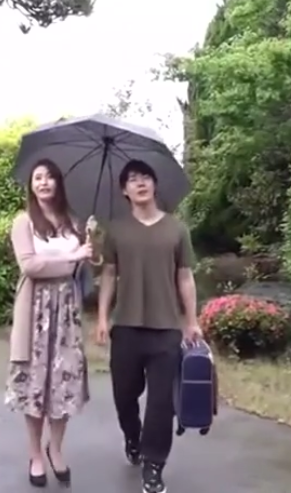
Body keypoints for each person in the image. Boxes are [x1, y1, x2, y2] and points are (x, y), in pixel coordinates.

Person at [96, 159, 202, 493]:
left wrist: (191, 320)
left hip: (165, 328)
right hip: (126, 327)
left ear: (155, 185)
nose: (140, 183)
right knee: (124, 395)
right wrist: (102, 317)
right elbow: (109, 274)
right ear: (124, 191)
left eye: (145, 177)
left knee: (161, 403)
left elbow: (185, 276)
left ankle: (154, 465)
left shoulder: (177, 229)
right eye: (132, 179)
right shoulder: (116, 230)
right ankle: (132, 436)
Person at [7, 159, 93, 488]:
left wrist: (88, 250)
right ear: (31, 185)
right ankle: (35, 455)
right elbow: (30, 266)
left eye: (50, 177)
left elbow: (80, 271)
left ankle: (55, 448)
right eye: (38, 178)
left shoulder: (74, 222)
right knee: (35, 384)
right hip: (35, 311)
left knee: (64, 382)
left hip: (67, 311)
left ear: (59, 183)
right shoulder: (23, 222)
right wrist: (71, 258)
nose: (44, 183)